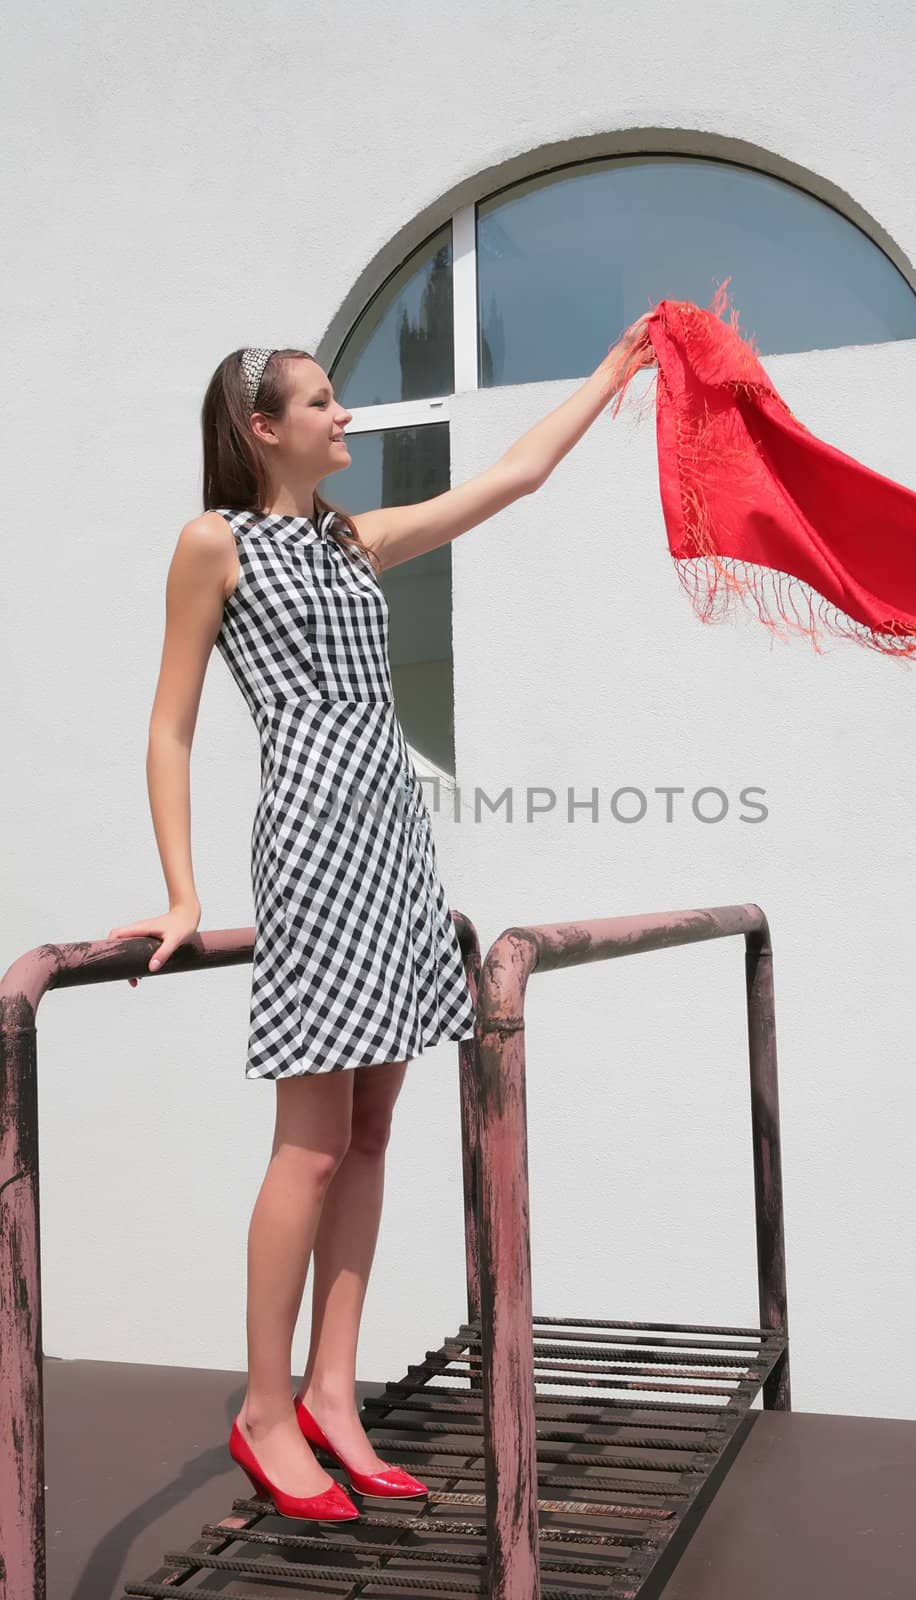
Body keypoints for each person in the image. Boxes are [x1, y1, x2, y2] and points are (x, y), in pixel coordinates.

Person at [105, 315, 655, 1522]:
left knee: (369, 1131)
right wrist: (185, 890)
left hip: (398, 847)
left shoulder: (355, 540)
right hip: (310, 843)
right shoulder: (215, 542)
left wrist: (614, 367)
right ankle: (262, 1410)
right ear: (263, 430)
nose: (344, 415)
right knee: (306, 1140)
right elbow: (171, 723)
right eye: (321, 403)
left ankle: (332, 1394)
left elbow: (510, 478)